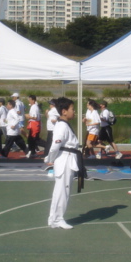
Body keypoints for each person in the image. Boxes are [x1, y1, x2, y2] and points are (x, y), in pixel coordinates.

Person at [45, 97, 80, 229]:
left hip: (68, 158)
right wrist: (50, 159)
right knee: (62, 191)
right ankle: (57, 219)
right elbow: (55, 145)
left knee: (61, 191)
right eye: (72, 109)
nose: (74, 111)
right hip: (65, 159)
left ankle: (54, 218)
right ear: (64, 111)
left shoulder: (64, 125)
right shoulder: (61, 126)